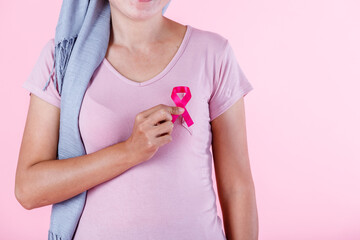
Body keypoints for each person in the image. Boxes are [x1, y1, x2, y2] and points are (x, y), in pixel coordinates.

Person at [15, 0, 259, 239]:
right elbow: (29, 190)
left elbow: (237, 188)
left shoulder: (214, 53)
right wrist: (129, 152)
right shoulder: (62, 61)